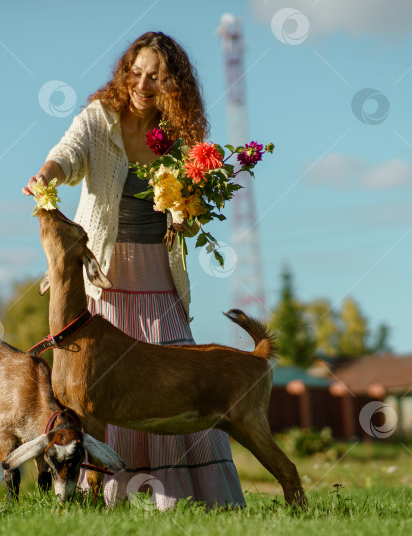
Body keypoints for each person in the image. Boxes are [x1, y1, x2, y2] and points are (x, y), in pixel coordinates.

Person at [22, 32, 246, 510]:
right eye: (136, 72)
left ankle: (187, 502)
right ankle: (101, 498)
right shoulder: (98, 120)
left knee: (175, 381)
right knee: (100, 394)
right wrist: (47, 174)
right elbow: (67, 153)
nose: (142, 84)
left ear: (173, 85)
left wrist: (188, 210)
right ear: (126, 72)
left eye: (156, 77)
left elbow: (193, 202)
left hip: (158, 281)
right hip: (102, 279)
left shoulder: (180, 136)